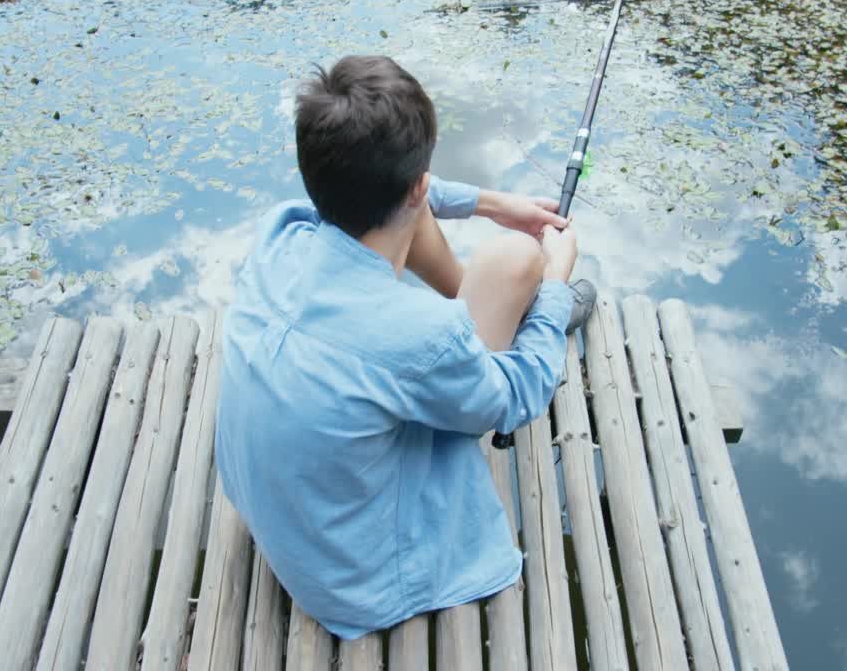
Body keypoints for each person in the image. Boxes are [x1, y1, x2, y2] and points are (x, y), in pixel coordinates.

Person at [214, 55, 595, 639]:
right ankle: (529, 312)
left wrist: (494, 204)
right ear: (418, 183)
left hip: (278, 518)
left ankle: (487, 311)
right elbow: (516, 398)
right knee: (520, 264)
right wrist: (553, 291)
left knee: (411, 227)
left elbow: (401, 192)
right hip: (356, 579)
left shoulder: (280, 232)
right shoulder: (420, 335)